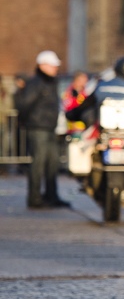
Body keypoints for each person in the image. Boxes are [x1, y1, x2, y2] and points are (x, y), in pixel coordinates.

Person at [66, 55, 124, 222]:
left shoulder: (102, 86)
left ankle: (94, 187)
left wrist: (72, 115)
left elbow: (85, 107)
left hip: (104, 138)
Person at [14, 51, 69, 209]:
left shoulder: (51, 82)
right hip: (38, 128)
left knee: (52, 164)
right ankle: (35, 198)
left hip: (50, 127)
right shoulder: (36, 82)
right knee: (37, 164)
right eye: (53, 65)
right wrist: (26, 122)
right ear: (43, 65)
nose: (55, 68)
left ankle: (52, 196)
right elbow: (24, 104)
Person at [62, 71, 89, 135]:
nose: (85, 83)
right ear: (77, 81)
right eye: (83, 81)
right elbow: (68, 107)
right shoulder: (69, 93)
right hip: (73, 129)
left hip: (85, 129)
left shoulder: (85, 92)